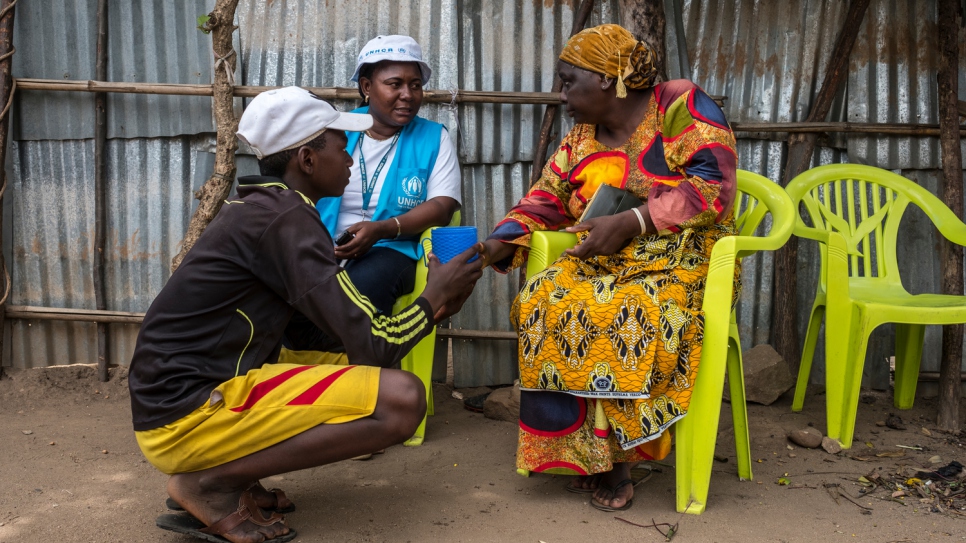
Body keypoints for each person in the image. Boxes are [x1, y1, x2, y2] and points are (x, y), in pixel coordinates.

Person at [128, 86, 482, 543]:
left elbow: (313, 334)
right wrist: (433, 300)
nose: (351, 159)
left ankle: (226, 472)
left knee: (373, 372)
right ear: (307, 159)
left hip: (177, 401)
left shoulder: (269, 210)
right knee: (402, 399)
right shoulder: (286, 219)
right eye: (342, 147)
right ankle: (210, 482)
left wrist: (428, 307)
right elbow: (376, 342)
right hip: (187, 412)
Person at [479, 24, 739, 513]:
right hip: (602, 260)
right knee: (542, 299)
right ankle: (584, 452)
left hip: (683, 259)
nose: (561, 96)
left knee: (628, 311)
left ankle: (620, 456)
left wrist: (634, 220)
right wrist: (491, 248)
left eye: (567, 81)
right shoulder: (579, 140)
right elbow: (543, 202)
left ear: (604, 79)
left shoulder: (680, 104)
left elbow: (714, 187)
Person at [285, 35, 461, 353]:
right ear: (367, 86)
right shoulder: (337, 131)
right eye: (394, 84)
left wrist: (383, 229)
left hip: (393, 249)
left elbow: (443, 205)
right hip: (324, 246)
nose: (407, 95)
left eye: (415, 85)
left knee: (362, 287)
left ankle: (351, 368)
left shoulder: (434, 137)